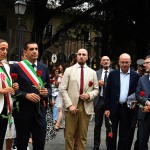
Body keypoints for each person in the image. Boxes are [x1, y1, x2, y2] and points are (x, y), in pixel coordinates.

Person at [10, 41, 51, 150]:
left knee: (40, 143)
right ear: (25, 52)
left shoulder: (44, 68)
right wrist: (25, 95)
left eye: (36, 49)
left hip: (39, 112)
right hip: (23, 111)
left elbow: (49, 87)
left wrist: (47, 92)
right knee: (22, 143)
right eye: (31, 49)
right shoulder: (17, 67)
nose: (34, 51)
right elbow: (11, 90)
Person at [60, 48, 99, 150]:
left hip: (86, 107)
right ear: (77, 56)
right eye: (79, 54)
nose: (81, 56)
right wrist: (69, 105)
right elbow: (62, 89)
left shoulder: (92, 73)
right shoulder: (69, 70)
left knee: (83, 136)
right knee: (69, 136)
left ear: (87, 57)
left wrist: (89, 95)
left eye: (84, 54)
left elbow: (96, 89)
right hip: (71, 106)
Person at [104, 53, 140, 150]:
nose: (124, 64)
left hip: (127, 110)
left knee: (125, 135)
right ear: (119, 62)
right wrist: (106, 108)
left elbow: (138, 93)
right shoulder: (112, 74)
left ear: (130, 62)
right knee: (111, 134)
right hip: (113, 109)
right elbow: (107, 92)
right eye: (122, 62)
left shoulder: (135, 76)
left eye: (126, 62)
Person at [0, 39, 18, 150]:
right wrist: (1, 91)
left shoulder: (6, 66)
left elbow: (8, 85)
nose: (5, 52)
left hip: (5, 106)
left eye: (6, 49)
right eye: (2, 49)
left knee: (1, 136)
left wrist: (14, 87)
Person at [93, 56, 112, 150]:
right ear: (100, 62)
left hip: (110, 102)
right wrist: (97, 84)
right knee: (97, 125)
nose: (106, 61)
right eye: (104, 60)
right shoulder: (96, 73)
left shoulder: (114, 73)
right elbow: (91, 86)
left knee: (110, 126)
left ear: (110, 62)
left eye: (107, 60)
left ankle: (109, 146)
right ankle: (96, 146)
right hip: (99, 100)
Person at [136, 55, 150, 150]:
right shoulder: (142, 79)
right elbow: (138, 95)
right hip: (144, 116)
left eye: (147, 63)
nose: (144, 65)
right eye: (144, 63)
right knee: (141, 143)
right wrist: (147, 103)